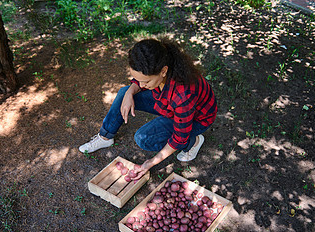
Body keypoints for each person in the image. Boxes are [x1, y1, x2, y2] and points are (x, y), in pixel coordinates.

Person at [79, 38, 217, 180]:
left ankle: (193, 141)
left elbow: (179, 137)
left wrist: (150, 163)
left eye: (146, 81)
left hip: (195, 119)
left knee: (144, 138)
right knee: (123, 93)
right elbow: (139, 81)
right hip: (168, 105)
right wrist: (129, 92)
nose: (142, 85)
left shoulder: (182, 95)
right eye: (138, 79)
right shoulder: (160, 66)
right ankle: (105, 136)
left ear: (163, 71)